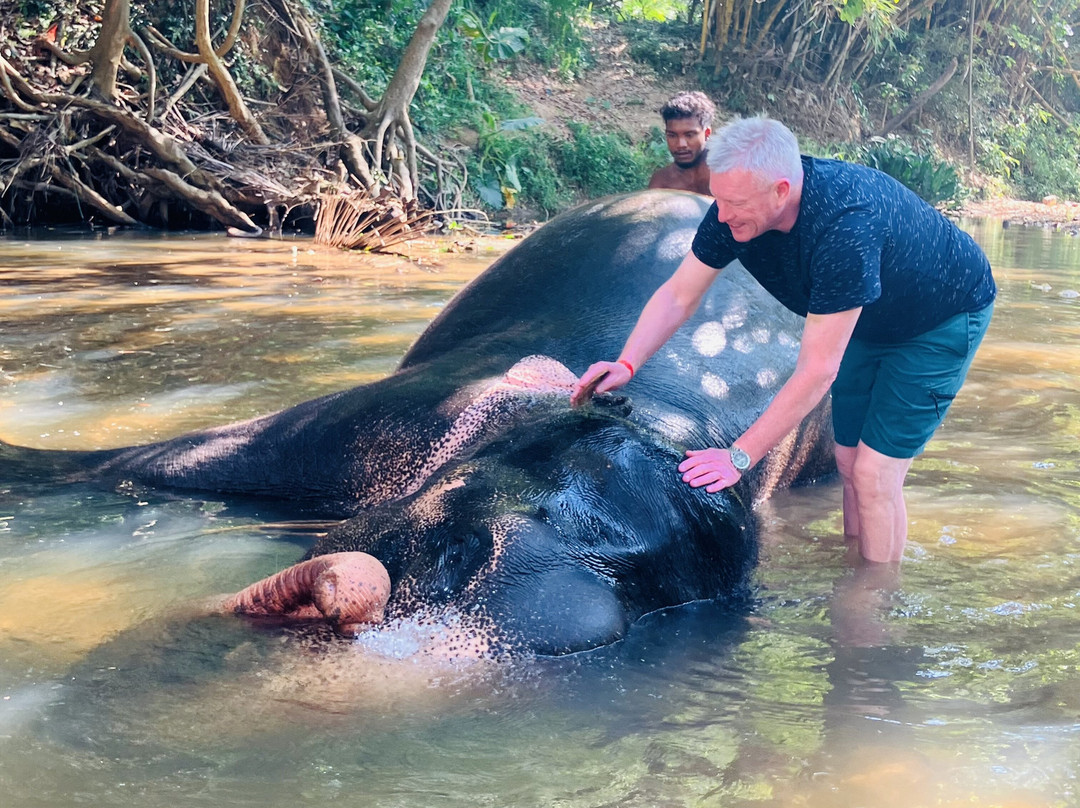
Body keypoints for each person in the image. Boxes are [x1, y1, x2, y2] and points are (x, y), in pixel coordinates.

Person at [572, 116, 996, 564]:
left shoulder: (844, 228)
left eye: (735, 202)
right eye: (719, 197)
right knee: (848, 460)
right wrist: (627, 362)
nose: (723, 213)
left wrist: (738, 457)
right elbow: (679, 295)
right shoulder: (731, 210)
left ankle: (872, 612)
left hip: (940, 316)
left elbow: (817, 369)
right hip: (869, 315)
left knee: (875, 474)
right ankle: (856, 563)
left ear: (780, 190)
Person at [647, 91, 716, 196]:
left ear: (707, 133)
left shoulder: (726, 173)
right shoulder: (661, 183)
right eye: (672, 135)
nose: (680, 144)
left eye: (689, 135)